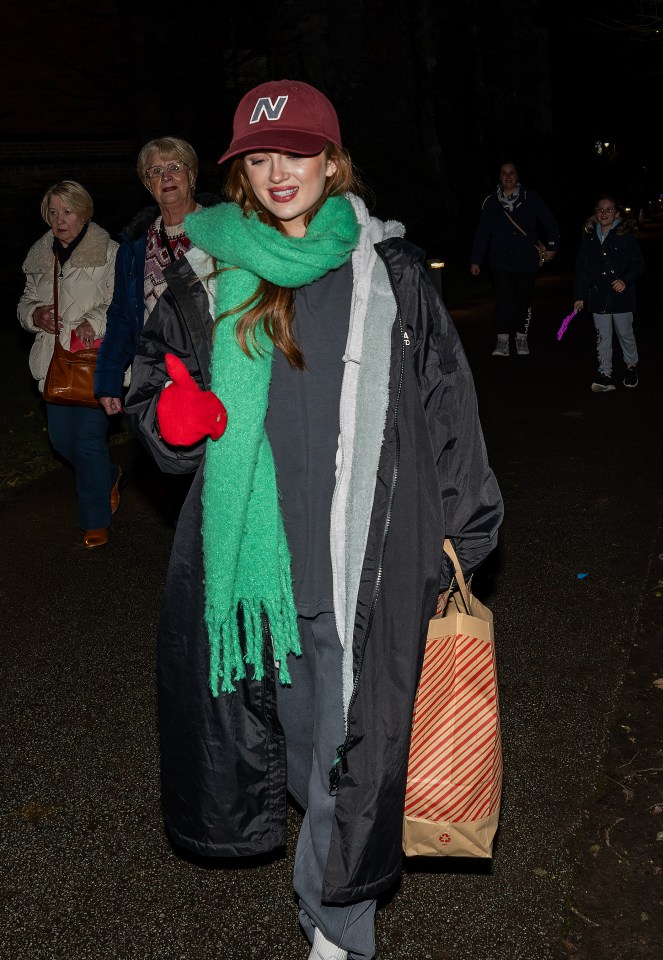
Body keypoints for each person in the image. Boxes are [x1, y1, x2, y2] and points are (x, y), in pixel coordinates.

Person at [124, 79, 504, 960]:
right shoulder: (203, 277)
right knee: (302, 756)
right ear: (241, 176)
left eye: (295, 153)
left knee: (349, 757)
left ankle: (334, 928)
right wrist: (167, 420)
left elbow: (447, 403)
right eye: (258, 159)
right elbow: (157, 385)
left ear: (331, 162)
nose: (277, 171)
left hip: (366, 564)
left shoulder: (390, 273)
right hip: (259, 576)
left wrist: (466, 528)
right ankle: (330, 863)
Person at [18, 180, 120, 549]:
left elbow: (120, 303)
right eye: (53, 212)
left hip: (94, 361)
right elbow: (24, 302)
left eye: (68, 211)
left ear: (84, 212)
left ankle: (95, 522)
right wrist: (35, 315)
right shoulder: (40, 255)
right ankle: (108, 475)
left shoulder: (109, 252)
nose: (59, 220)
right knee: (62, 443)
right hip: (53, 363)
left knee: (89, 441)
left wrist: (95, 320)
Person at [94, 136, 220, 415]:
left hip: (217, 370)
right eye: (156, 171)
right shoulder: (134, 248)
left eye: (175, 167)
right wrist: (108, 380)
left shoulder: (221, 232)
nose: (166, 177)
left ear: (192, 174)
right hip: (160, 376)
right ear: (148, 184)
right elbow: (122, 318)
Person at [470, 160, 559, 357]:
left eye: (512, 173)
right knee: (503, 298)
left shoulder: (530, 198)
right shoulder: (491, 202)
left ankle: (521, 337)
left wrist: (552, 246)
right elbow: (482, 233)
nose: (508, 177)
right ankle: (502, 340)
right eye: (504, 173)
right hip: (500, 260)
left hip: (526, 259)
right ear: (499, 177)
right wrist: (476, 260)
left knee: (524, 299)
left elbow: (550, 222)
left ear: (517, 176)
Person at [573, 194, 645, 392]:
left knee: (625, 334)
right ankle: (605, 374)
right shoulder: (589, 238)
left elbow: (638, 264)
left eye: (609, 210)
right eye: (600, 209)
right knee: (602, 336)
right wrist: (579, 296)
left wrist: (625, 280)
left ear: (617, 213)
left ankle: (631, 367)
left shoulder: (625, 236)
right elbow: (582, 269)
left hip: (622, 298)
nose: (604, 213)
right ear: (595, 213)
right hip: (598, 297)